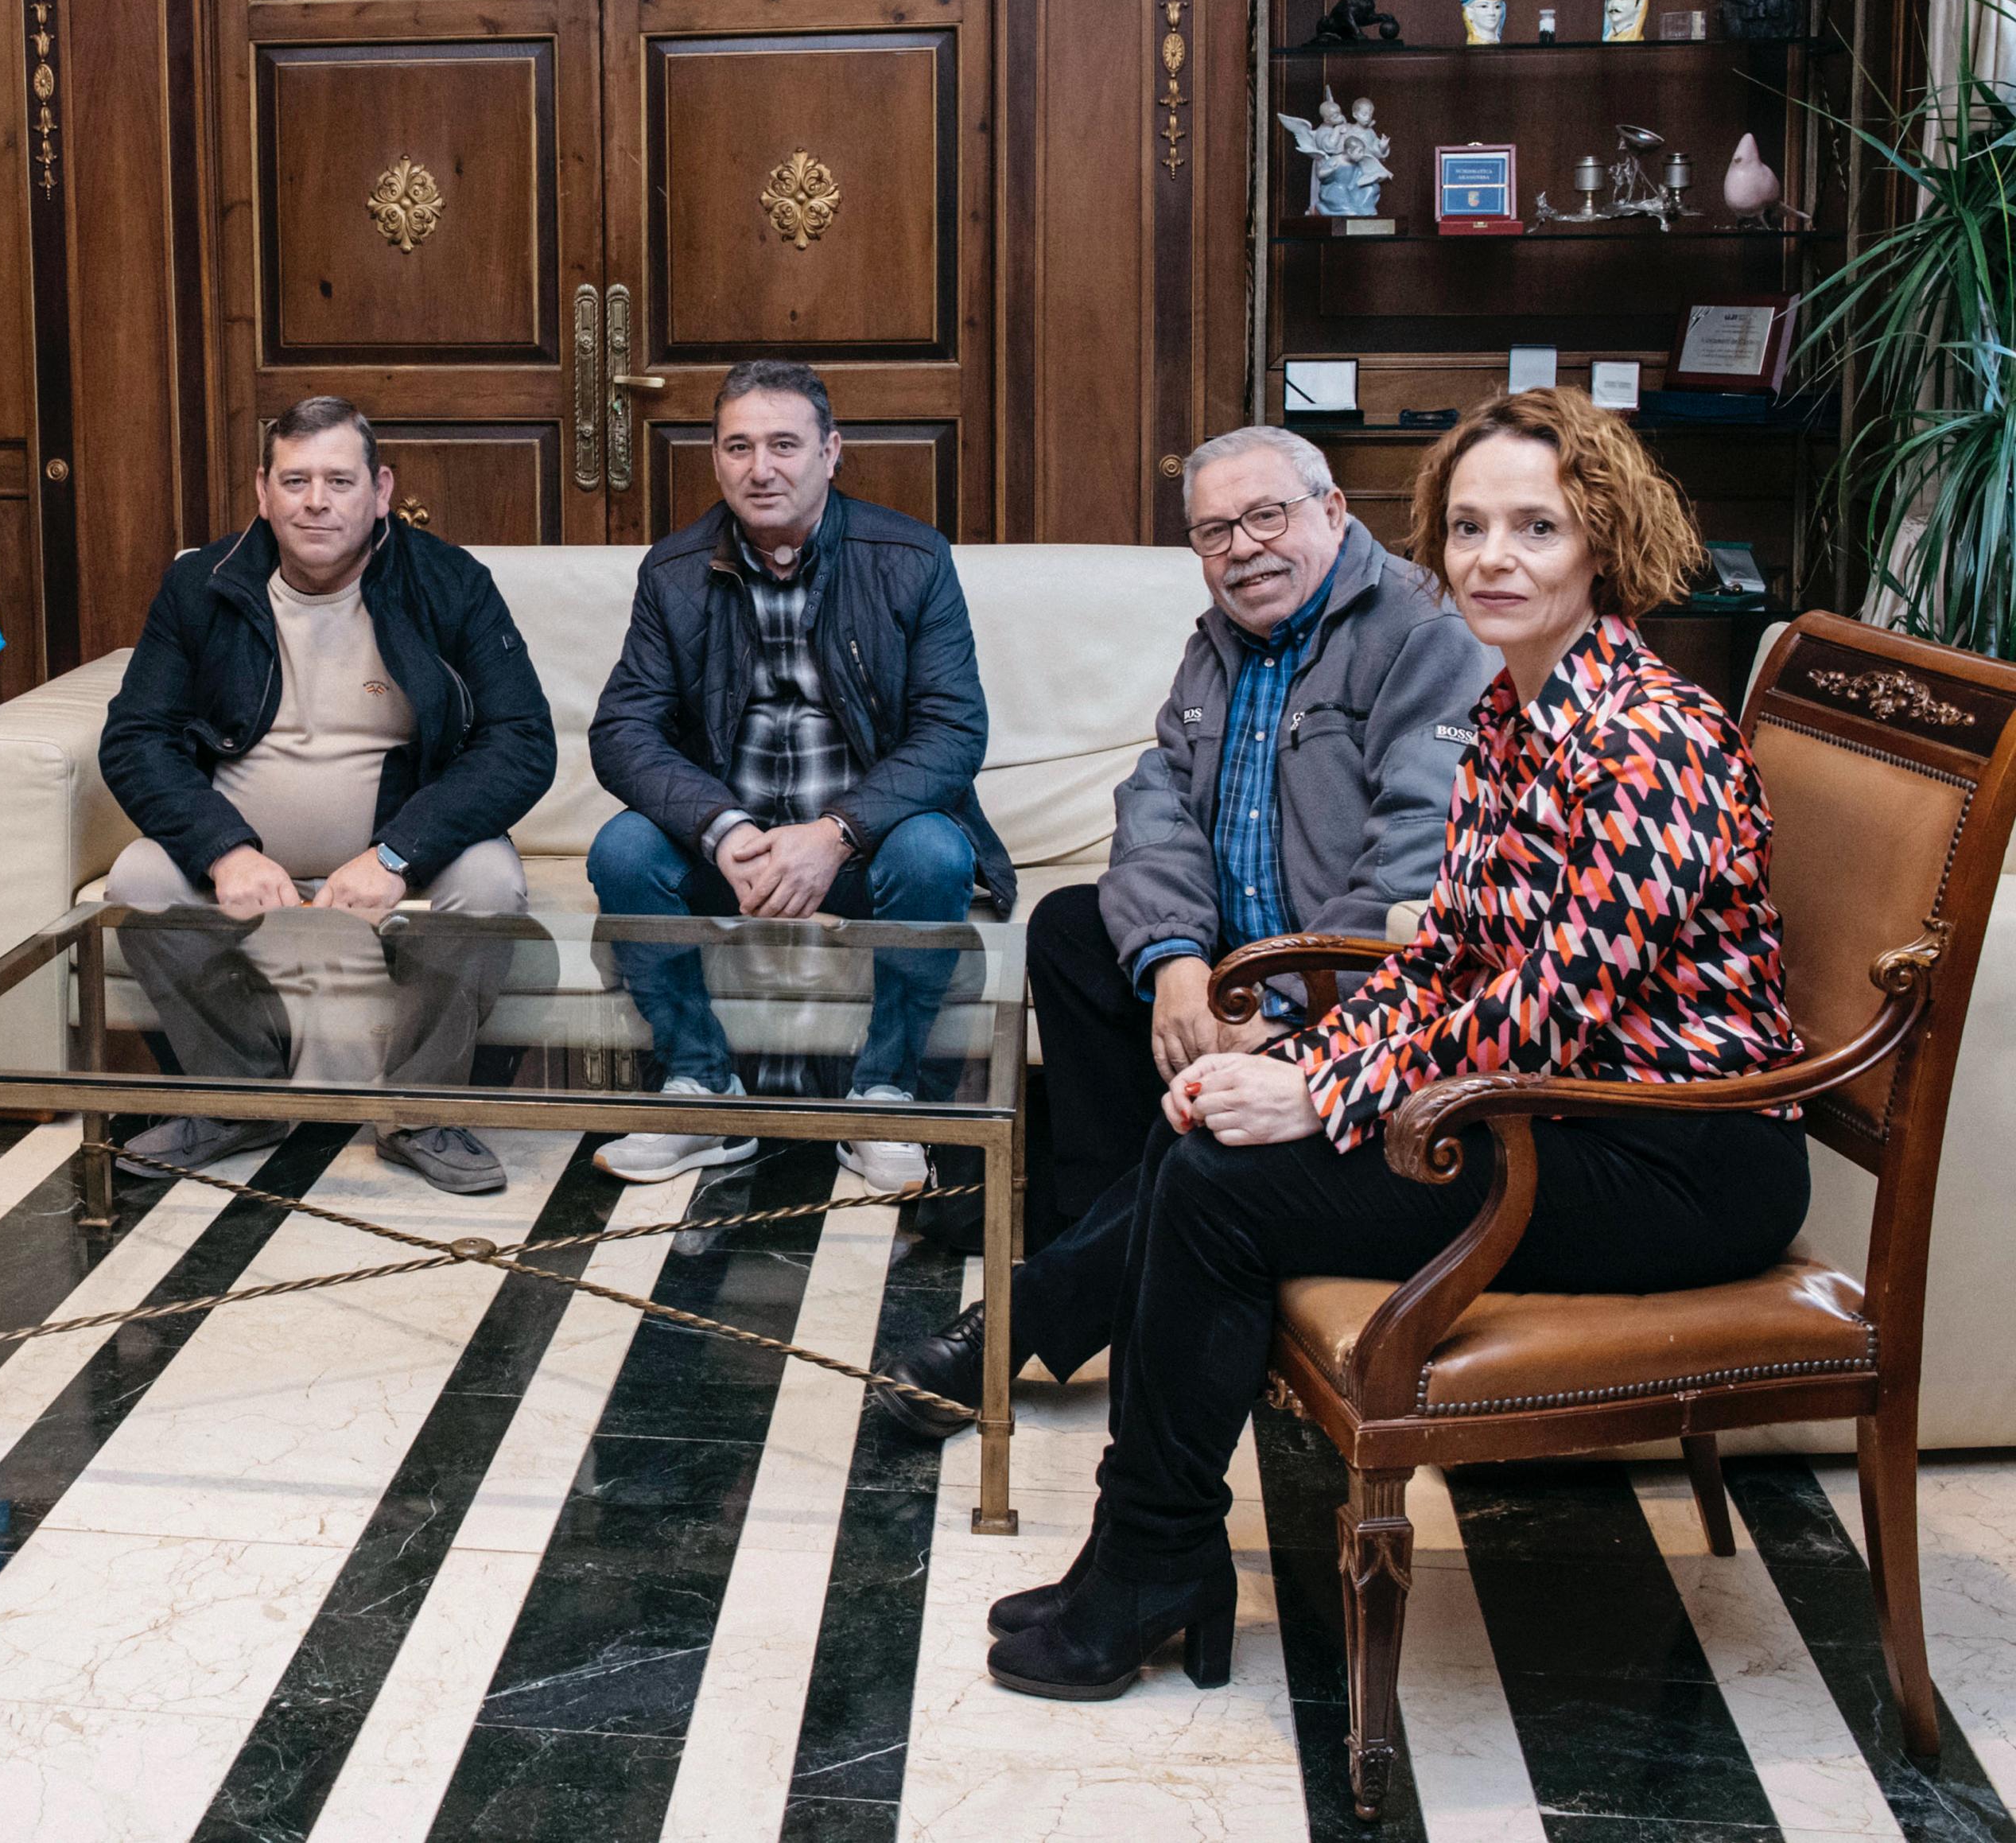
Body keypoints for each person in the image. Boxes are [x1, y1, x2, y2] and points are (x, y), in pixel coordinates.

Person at [985, 387, 1805, 1701]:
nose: (1494, 556)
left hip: (1681, 1157)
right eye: (1470, 525)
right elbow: (1445, 959)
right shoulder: (1512, 717)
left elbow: (1549, 1004)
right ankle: (1146, 1547)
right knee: (1205, 1133)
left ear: (1601, 538)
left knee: (1218, 1190)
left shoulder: (1651, 738)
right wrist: (1294, 1069)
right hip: (1546, 1111)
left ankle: (1151, 1552)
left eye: (1536, 526)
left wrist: (1321, 1086)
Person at [873, 426, 1494, 1428]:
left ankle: (1037, 1310)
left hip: (1346, 980)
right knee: (1075, 930)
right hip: (1232, 963)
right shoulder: (1217, 641)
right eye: (1214, 532)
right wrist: (1173, 961)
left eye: (1266, 516)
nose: (1242, 548)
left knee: (1219, 1118)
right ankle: (1092, 1224)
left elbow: (1415, 857)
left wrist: (1284, 996)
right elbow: (1154, 801)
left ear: (1332, 511)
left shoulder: (1423, 632)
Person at [95, 397, 554, 1193]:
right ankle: (240, 1097)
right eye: (295, 479)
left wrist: (397, 854)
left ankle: (419, 1110)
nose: (316, 500)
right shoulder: (196, 585)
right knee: (136, 877)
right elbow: (134, 738)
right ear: (261, 492)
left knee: (490, 879)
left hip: (398, 851)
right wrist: (222, 849)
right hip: (240, 856)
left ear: (380, 489)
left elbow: (521, 741)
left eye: (338, 480)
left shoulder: (449, 582)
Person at [584, 358, 1009, 1190]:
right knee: (622, 849)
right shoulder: (671, 571)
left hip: (858, 850)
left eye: (783, 444)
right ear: (714, 461)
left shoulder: (909, 558)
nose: (759, 467)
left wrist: (834, 834)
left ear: (830, 452)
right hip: (729, 856)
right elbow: (621, 731)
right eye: (737, 447)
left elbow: (953, 732)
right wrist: (721, 829)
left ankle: (882, 1096)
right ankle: (699, 1088)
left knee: (935, 853)